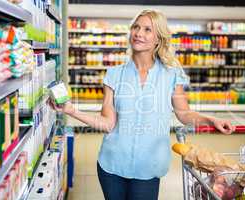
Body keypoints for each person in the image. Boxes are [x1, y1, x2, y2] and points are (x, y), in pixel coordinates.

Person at [48, 9, 235, 200]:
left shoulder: (171, 75)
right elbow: (107, 123)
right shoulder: (114, 74)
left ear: (158, 39)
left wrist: (212, 119)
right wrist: (70, 110)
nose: (138, 33)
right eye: (136, 27)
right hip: (112, 165)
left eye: (147, 29)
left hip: (149, 166)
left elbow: (184, 114)